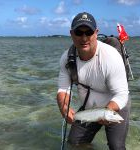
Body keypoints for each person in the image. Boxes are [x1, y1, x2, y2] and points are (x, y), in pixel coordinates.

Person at [56, 12, 130, 150]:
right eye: (79, 32)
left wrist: (108, 111)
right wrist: (64, 108)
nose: (84, 38)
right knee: (74, 144)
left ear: (96, 33)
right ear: (71, 34)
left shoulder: (111, 57)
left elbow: (122, 94)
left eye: (88, 32)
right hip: (89, 109)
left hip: (115, 105)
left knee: (117, 147)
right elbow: (63, 89)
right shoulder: (66, 58)